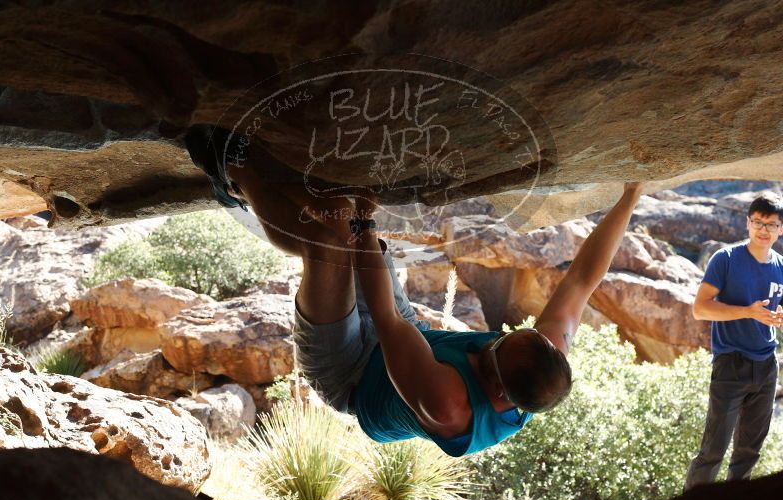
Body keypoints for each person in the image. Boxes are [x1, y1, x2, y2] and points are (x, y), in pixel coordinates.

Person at [185, 125, 644, 456]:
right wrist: (632, 196)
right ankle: (266, 184)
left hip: (348, 374)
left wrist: (363, 220)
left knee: (330, 243)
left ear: (499, 388)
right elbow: (583, 280)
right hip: (412, 336)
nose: (505, 334)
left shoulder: (448, 405)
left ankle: (235, 170)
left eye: (501, 344)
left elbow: (388, 320)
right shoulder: (539, 357)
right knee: (339, 215)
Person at [684, 193, 783, 488]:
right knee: (712, 451)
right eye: (758, 222)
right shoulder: (725, 259)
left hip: (766, 366)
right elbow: (700, 308)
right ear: (747, 224)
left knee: (748, 453)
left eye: (771, 225)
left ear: (781, 229)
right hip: (731, 364)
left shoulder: (781, 265)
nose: (763, 230)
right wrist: (746, 312)